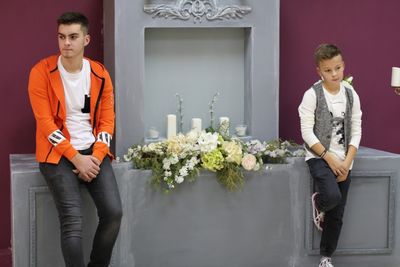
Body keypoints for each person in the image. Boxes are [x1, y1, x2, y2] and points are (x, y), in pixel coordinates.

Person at [28, 12, 122, 267]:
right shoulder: (41, 72)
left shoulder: (100, 74)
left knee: (113, 213)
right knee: (72, 220)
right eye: (61, 37)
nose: (66, 43)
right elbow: (46, 124)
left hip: (93, 150)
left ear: (86, 39)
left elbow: (106, 121)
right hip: (56, 153)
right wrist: (76, 158)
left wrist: (97, 156)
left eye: (72, 37)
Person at [298, 44, 362, 267]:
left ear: (343, 66)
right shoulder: (311, 95)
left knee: (337, 214)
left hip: (344, 159)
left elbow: (356, 128)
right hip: (318, 157)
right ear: (319, 71)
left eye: (338, 68)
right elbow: (306, 132)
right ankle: (320, 202)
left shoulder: (350, 93)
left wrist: (347, 162)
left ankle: (326, 258)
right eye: (328, 70)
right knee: (332, 198)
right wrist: (329, 157)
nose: (334, 74)